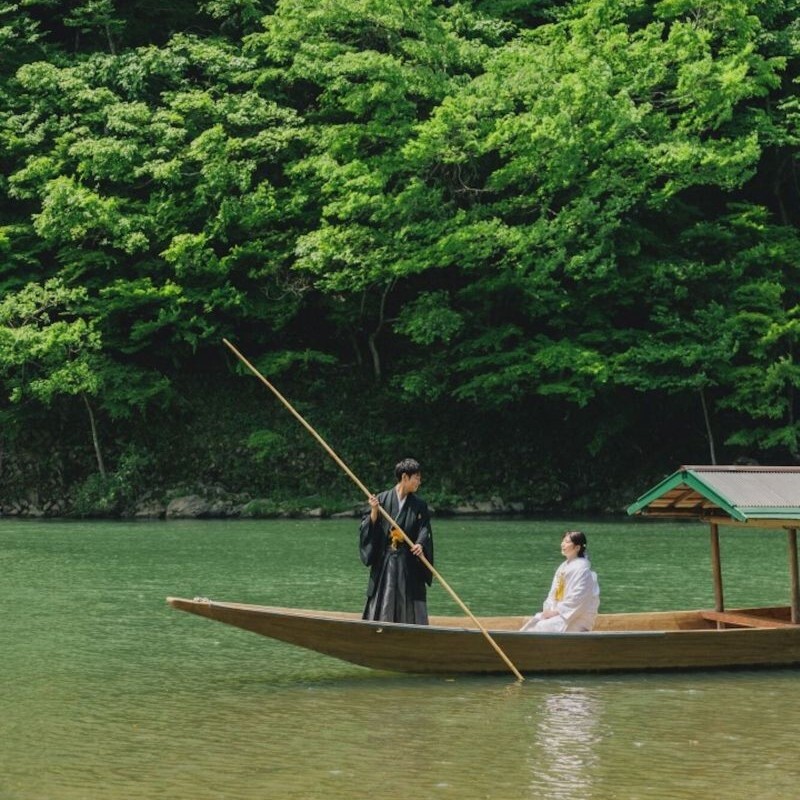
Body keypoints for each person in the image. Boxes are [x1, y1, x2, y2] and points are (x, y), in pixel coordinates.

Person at [359, 457, 434, 624]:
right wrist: (374, 511)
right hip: (386, 560)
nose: (419, 482)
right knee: (384, 595)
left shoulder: (419, 505)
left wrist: (420, 544)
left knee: (409, 594)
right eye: (416, 478)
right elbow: (367, 527)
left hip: (408, 561)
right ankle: (381, 625)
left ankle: (411, 628)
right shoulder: (382, 500)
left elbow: (424, 528)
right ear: (405, 477)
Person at [520, 530, 599, 632]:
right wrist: (549, 610)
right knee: (535, 621)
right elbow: (553, 593)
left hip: (575, 618)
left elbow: (577, 599)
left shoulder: (583, 570)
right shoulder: (563, 567)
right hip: (561, 613)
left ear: (577, 547)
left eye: (567, 542)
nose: (562, 544)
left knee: (541, 626)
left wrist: (557, 612)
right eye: (563, 541)